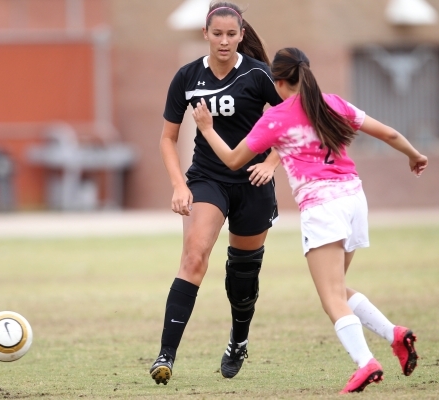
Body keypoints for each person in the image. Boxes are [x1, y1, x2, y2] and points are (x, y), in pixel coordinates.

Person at [192, 47, 425, 393]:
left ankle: (366, 363)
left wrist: (207, 128)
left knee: (330, 298)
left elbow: (232, 160)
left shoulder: (277, 118)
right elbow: (388, 134)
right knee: (337, 288)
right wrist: (414, 154)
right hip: (353, 200)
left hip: (322, 207)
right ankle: (395, 335)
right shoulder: (332, 103)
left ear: (279, 81)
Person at [149, 2, 283, 385]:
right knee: (194, 257)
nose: (224, 41)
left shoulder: (259, 75)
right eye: (217, 34)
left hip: (253, 184)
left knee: (243, 276)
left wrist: (271, 164)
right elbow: (167, 139)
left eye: (231, 34)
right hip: (208, 179)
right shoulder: (187, 76)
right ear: (205, 34)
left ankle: (238, 340)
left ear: (241, 35)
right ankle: (166, 356)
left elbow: (293, 124)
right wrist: (179, 184)